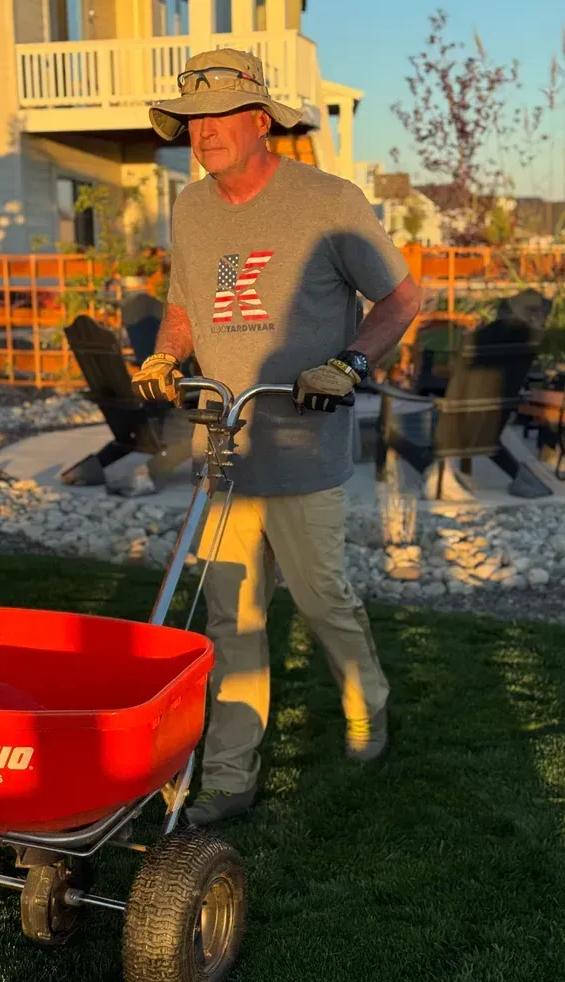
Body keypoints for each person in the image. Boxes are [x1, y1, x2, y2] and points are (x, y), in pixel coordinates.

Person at [132, 49, 421, 827]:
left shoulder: (327, 200)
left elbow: (402, 296)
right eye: (192, 120)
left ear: (260, 121)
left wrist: (352, 362)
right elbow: (188, 301)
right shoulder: (191, 208)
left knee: (324, 598)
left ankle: (369, 704)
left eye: (220, 116)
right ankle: (230, 774)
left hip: (304, 443)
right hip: (224, 447)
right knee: (232, 617)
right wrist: (167, 350)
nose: (202, 133)